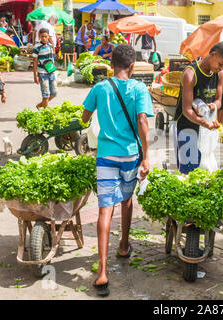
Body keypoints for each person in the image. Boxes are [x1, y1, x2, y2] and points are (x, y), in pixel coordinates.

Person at [81, 44, 153, 297]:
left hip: (106, 157)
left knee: (105, 209)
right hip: (131, 156)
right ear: (132, 66)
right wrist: (146, 156)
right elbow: (143, 121)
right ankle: (123, 246)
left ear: (111, 65)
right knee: (126, 200)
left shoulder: (100, 87)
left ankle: (102, 272)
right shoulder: (139, 88)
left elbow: (84, 117)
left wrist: (89, 115)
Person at [174, 42, 223, 174]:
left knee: (204, 170)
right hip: (187, 127)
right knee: (189, 172)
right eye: (221, 64)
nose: (221, 68)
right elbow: (187, 109)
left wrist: (213, 106)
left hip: (205, 130)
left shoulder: (220, 74)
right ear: (213, 55)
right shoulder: (191, 74)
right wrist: (204, 123)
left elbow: (218, 100)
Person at [32, 28, 57, 109]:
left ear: (48, 36)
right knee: (46, 95)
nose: (44, 38)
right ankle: (45, 114)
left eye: (46, 36)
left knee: (54, 93)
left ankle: (40, 105)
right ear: (39, 36)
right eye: (42, 36)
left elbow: (53, 58)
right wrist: (35, 76)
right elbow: (35, 62)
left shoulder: (50, 46)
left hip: (51, 72)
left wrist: (53, 45)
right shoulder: (36, 47)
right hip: (42, 74)